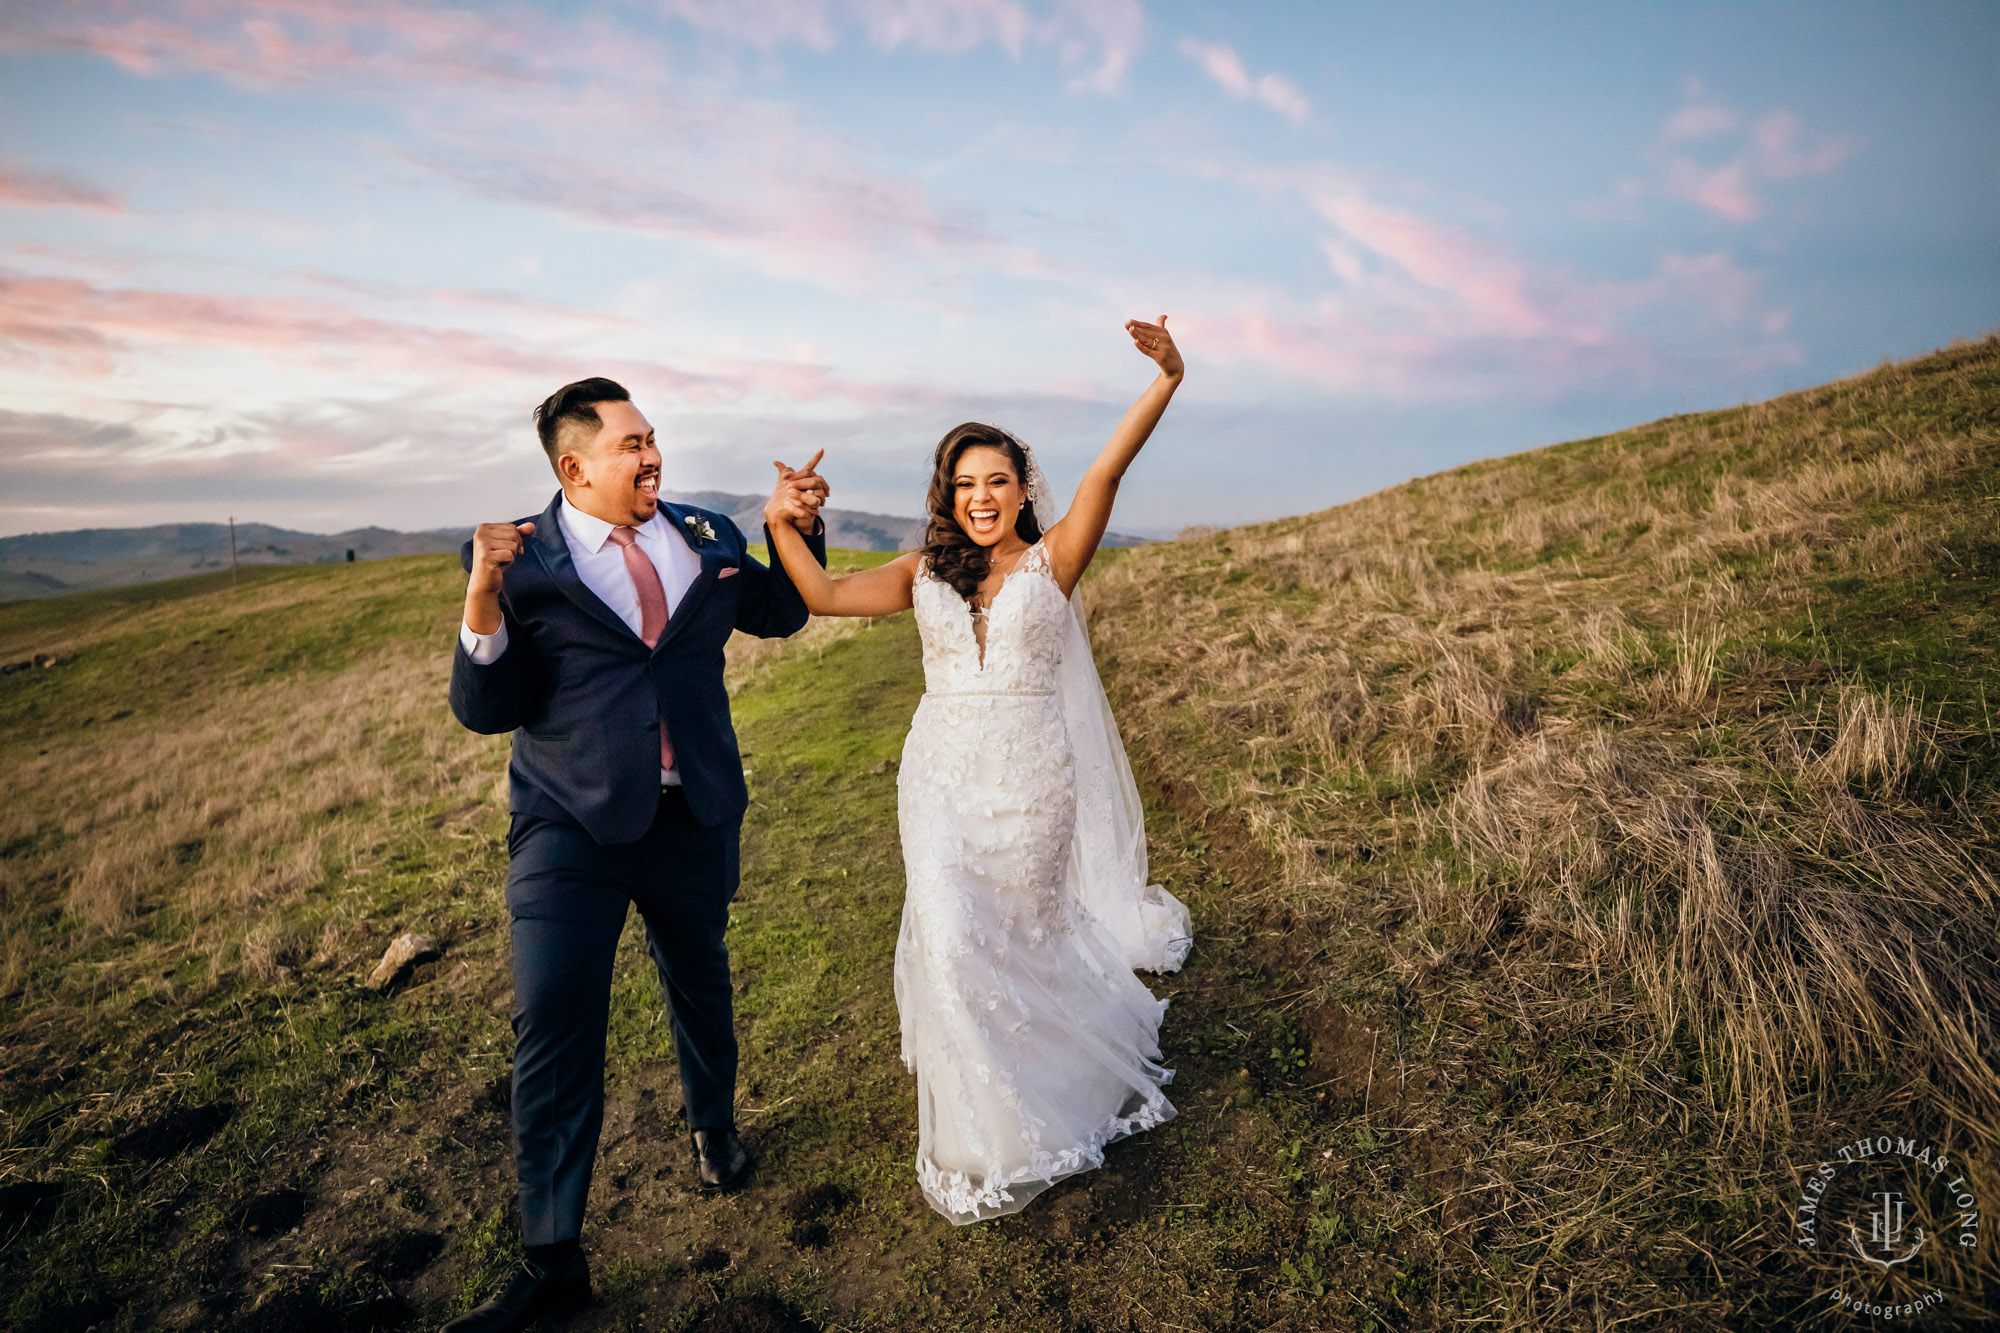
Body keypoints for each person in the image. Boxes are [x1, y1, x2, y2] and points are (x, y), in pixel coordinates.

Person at [763, 316, 1193, 1223]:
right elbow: (825, 594)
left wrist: (1165, 380)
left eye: (997, 479)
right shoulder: (923, 572)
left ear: (1021, 488)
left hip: (1034, 779)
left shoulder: (1054, 560)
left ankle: (1064, 1086)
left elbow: (1107, 473)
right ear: (946, 494)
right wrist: (779, 524)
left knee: (1024, 934)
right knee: (954, 940)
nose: (982, 496)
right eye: (965, 483)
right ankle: (988, 1134)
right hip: (940, 780)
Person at [442, 378, 830, 1331]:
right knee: (553, 1017)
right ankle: (550, 1258)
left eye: (653, 438)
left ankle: (714, 1127)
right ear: (575, 466)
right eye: (631, 445)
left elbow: (781, 613)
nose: (653, 455)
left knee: (699, 977)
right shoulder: (519, 561)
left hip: (691, 812)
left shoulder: (705, 534)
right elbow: (488, 710)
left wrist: (790, 526)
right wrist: (483, 596)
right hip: (567, 826)